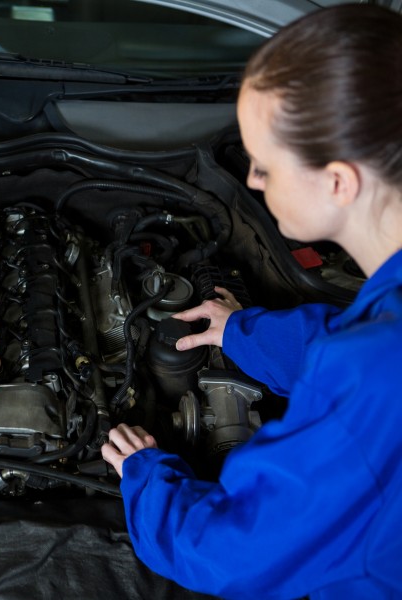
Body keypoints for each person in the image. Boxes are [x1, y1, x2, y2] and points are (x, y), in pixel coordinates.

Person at [101, 5, 402, 599]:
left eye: (263, 166)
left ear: (338, 181)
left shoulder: (375, 377)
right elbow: (349, 335)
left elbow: (233, 554)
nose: (255, 184)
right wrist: (240, 333)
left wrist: (146, 477)